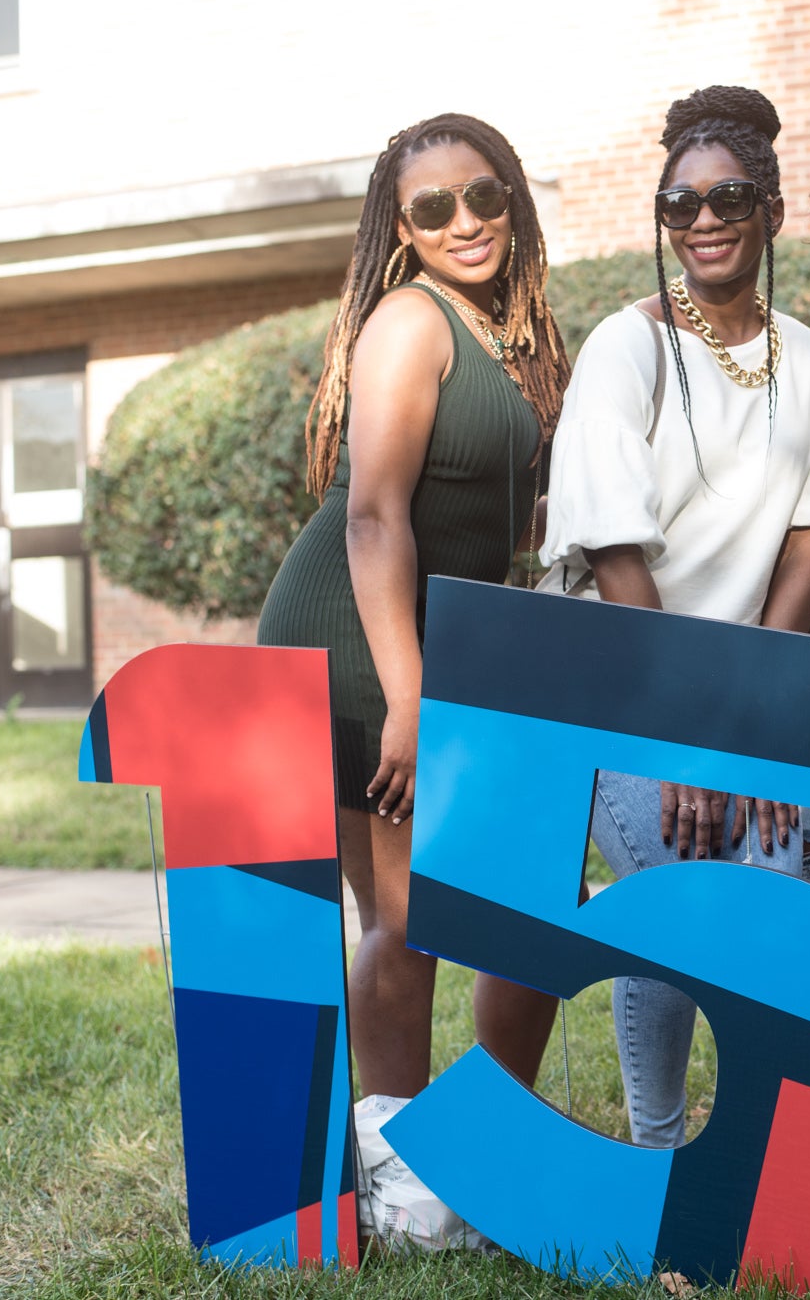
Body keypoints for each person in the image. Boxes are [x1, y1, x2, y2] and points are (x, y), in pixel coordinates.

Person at [525, 86, 810, 1149]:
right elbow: (614, 552)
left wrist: (745, 726)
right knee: (675, 881)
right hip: (622, 692)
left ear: (767, 211)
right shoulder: (623, 352)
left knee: (780, 876)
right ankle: (661, 1152)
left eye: (727, 199)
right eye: (680, 205)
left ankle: (778, 1148)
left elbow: (805, 550)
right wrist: (683, 737)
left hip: (743, 696)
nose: (704, 221)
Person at [258, 113, 573, 1100]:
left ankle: (485, 1130)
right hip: (362, 639)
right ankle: (394, 1153)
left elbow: (495, 521)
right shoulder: (411, 321)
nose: (464, 221)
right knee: (401, 912)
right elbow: (373, 519)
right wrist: (408, 698)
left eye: (483, 195)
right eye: (432, 208)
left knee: (524, 900)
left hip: (448, 642)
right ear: (399, 228)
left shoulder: (510, 332)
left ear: (511, 198)